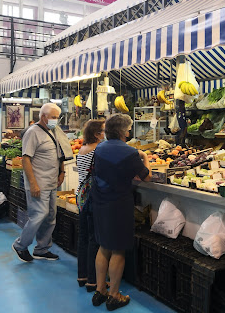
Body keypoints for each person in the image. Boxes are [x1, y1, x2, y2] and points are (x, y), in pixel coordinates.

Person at [90, 114, 151, 310]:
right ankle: (115, 295)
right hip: (118, 205)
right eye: (129, 129)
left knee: (103, 246)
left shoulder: (99, 148)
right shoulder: (129, 152)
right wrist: (145, 158)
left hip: (99, 202)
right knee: (118, 249)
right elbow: (146, 177)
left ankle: (101, 290)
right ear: (124, 131)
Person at [12, 103, 65, 263]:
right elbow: (26, 159)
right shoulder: (32, 132)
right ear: (43, 117)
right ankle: (20, 245)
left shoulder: (52, 131)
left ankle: (42, 249)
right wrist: (33, 183)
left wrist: (61, 172)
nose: (56, 120)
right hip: (38, 183)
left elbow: (59, 152)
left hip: (51, 183)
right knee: (38, 216)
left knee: (50, 217)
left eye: (57, 117)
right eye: (54, 117)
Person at [76, 119, 105, 292]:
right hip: (94, 197)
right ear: (96, 134)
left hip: (82, 197)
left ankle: (82, 276)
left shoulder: (82, 149)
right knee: (95, 239)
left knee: (83, 237)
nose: (105, 133)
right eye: (103, 131)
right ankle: (93, 281)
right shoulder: (98, 149)